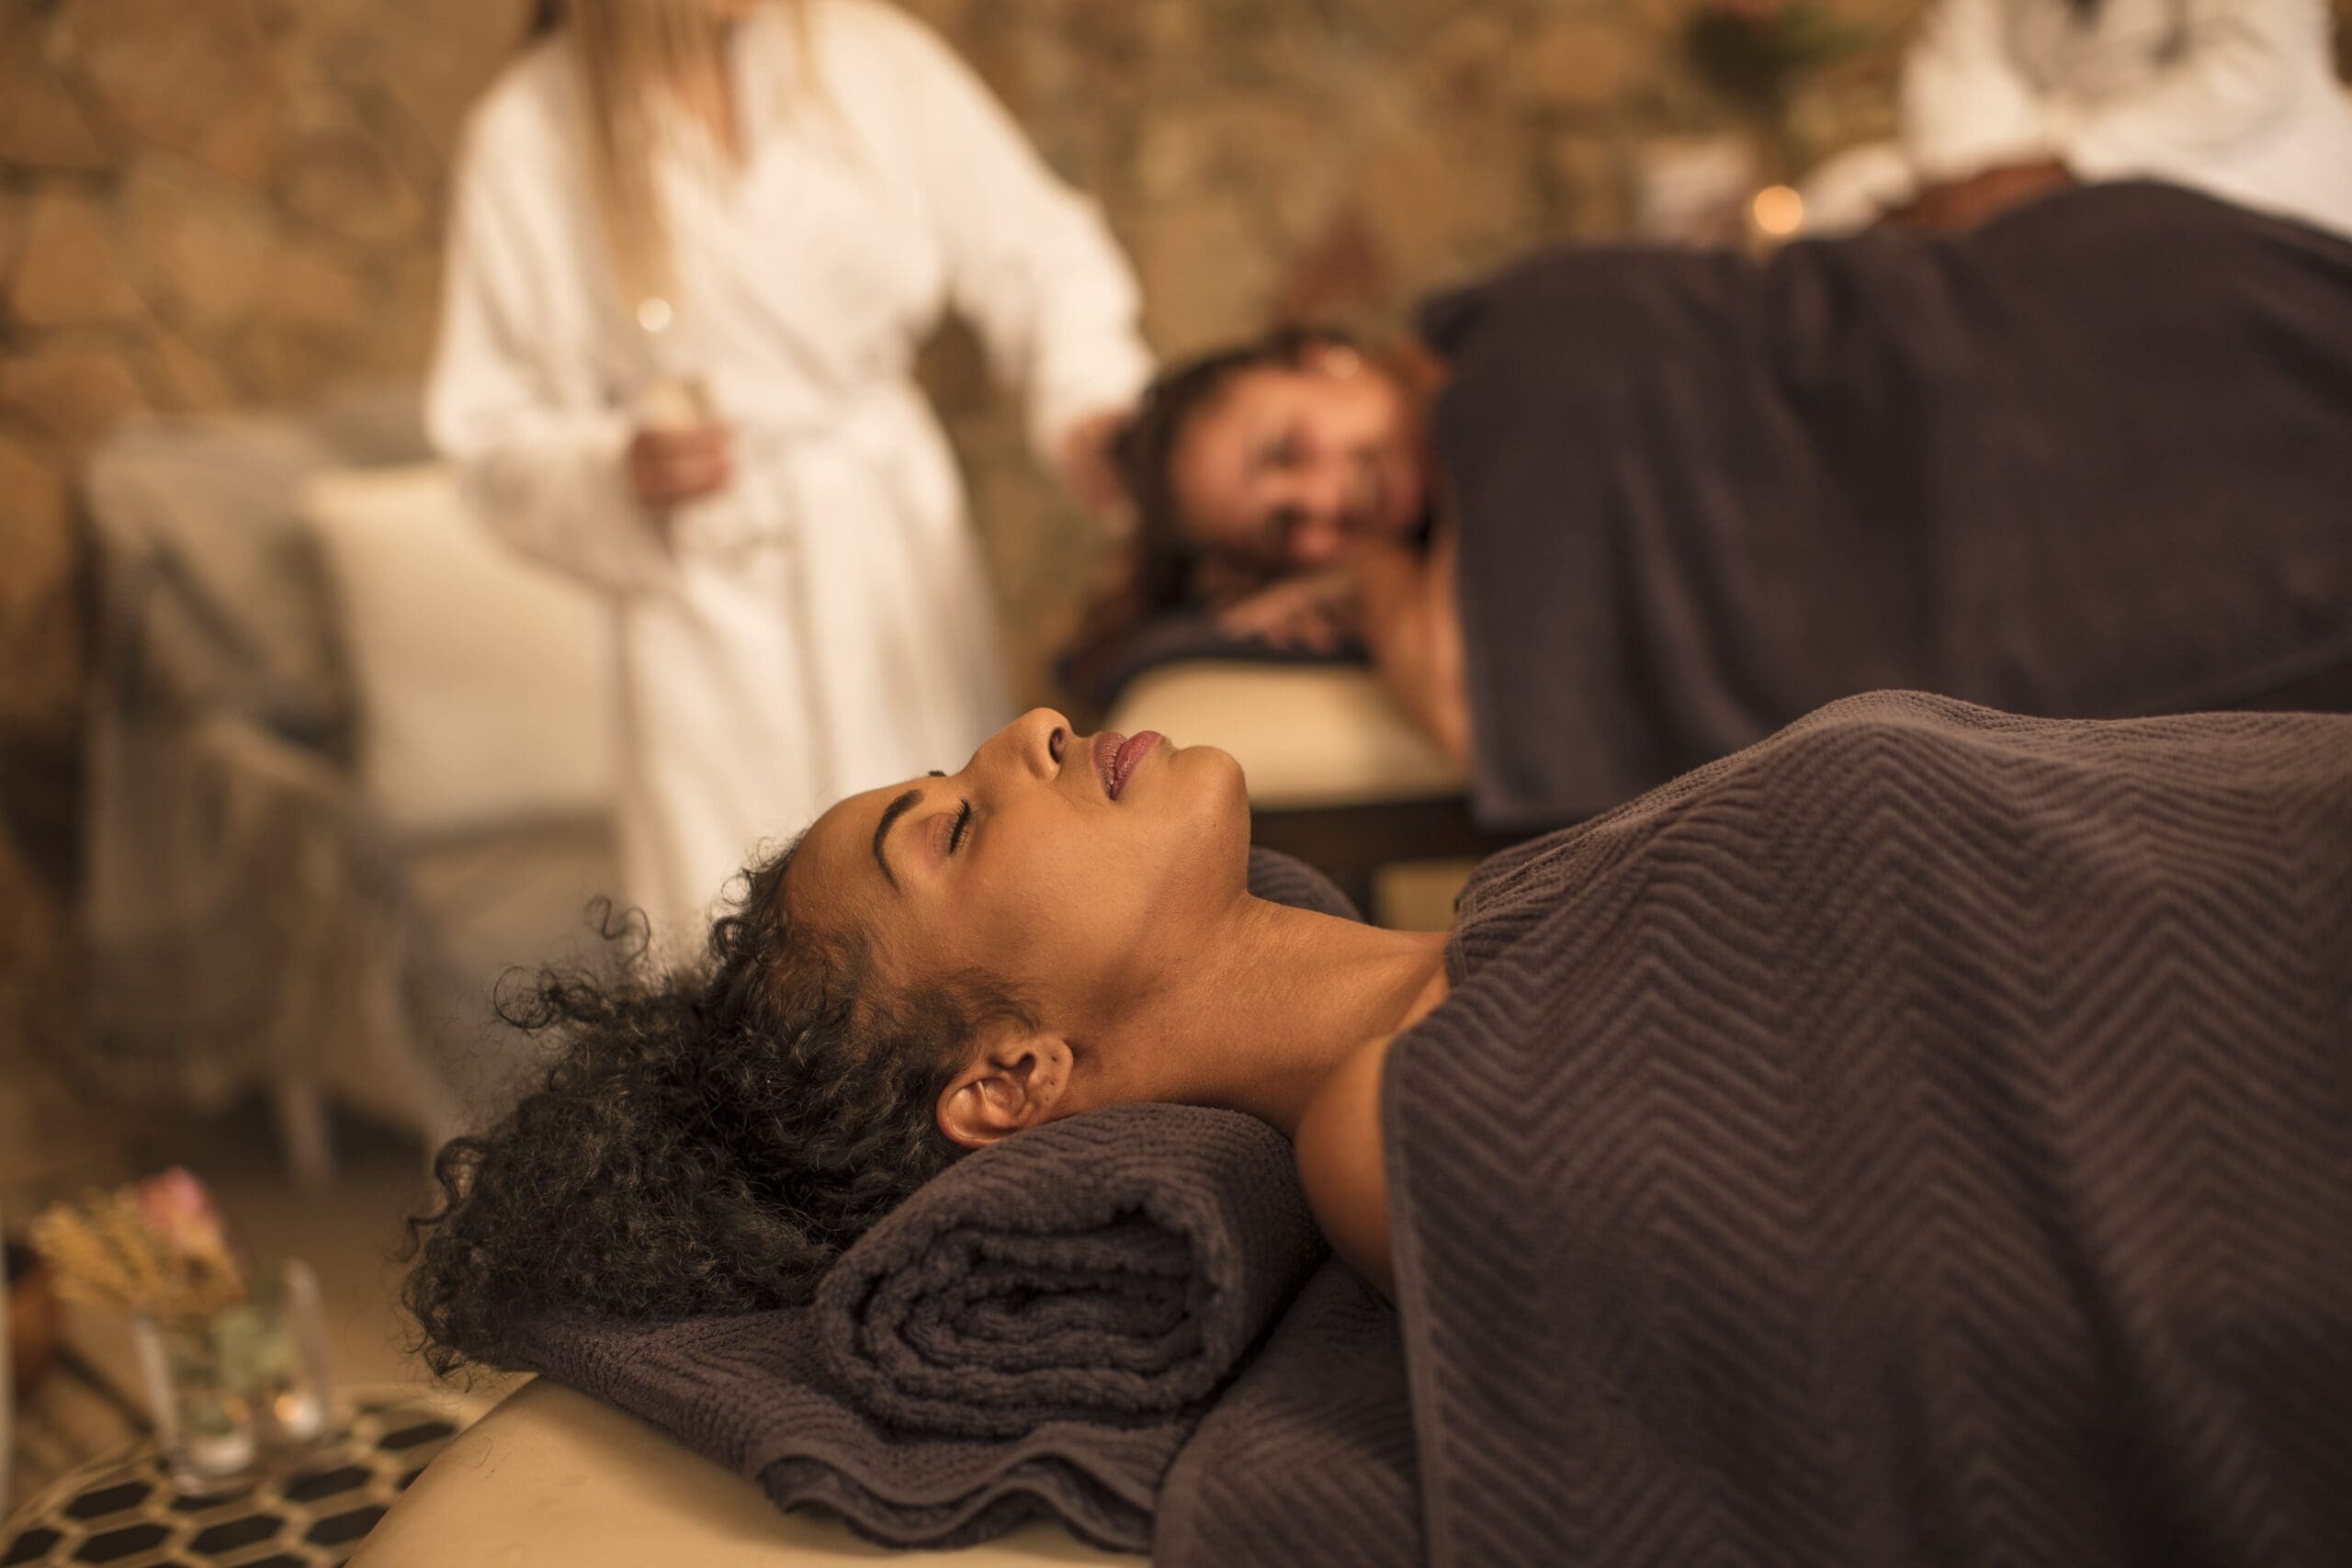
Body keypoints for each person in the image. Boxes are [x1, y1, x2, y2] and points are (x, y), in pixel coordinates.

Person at [402, 695, 2352, 1562]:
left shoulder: (1504, 926)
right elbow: (2085, 1299)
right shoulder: (1404, 1131)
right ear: (1008, 1083)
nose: (1022, 734)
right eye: (957, 825)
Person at [1075, 180, 2352, 829]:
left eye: (1289, 446)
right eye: (1281, 525)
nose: (1323, 505)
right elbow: (1482, 699)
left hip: (2072, 319)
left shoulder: (1521, 348)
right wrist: (1382, 562)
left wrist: (1369, 577)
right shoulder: (1463, 518)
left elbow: (1467, 699)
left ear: (1326, 353)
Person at [428, 0, 1151, 941]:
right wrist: (615, 471)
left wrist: (1091, 402)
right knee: (731, 934)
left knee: (955, 901)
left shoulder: (870, 59)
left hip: (889, 563)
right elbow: (487, 431)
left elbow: (1044, 254)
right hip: (703, 610)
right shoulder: (528, 133)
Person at [1804, 0, 2352, 237]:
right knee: (1843, 199)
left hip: (2233, 151)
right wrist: (1970, 185)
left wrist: (2070, 165)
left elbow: (2245, 75)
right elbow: (1960, 70)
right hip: (2033, 157)